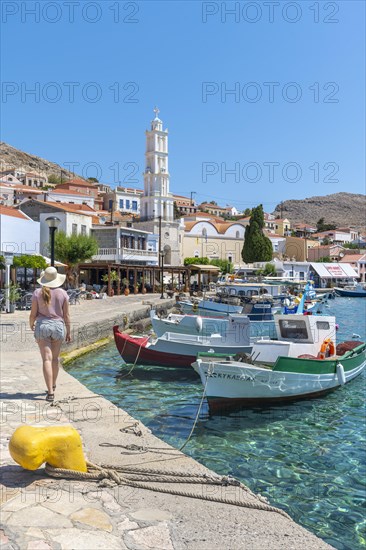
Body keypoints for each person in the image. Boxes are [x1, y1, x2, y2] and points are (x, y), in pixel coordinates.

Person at [29, 267, 71, 402]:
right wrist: (68, 331)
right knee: (55, 359)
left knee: (46, 359)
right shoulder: (63, 293)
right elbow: (67, 315)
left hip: (42, 326)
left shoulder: (37, 293)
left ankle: (50, 393)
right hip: (58, 327)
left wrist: (31, 324)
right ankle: (53, 385)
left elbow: (33, 314)